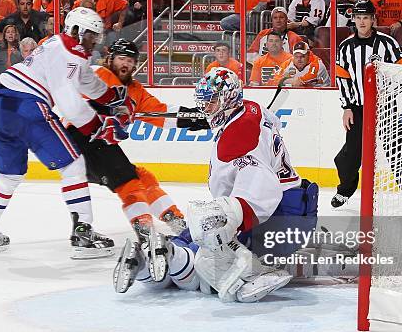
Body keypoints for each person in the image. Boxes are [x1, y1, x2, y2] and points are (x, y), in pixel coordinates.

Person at [114, 67, 317, 303]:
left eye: (210, 102)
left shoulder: (237, 139)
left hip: (278, 220)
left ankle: (167, 260)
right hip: (292, 209)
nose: (205, 108)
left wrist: (225, 229)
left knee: (208, 254)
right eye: (204, 102)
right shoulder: (250, 108)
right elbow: (267, 124)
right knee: (200, 230)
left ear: (228, 100)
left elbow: (263, 191)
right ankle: (163, 254)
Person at [0, 7, 128, 259]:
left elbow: (86, 82)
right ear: (78, 31)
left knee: (9, 175)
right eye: (91, 35)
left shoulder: (59, 46)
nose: (95, 40)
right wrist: (98, 128)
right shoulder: (70, 53)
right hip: (27, 106)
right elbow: (71, 105)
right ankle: (82, 232)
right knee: (73, 165)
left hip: (1, 105)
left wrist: (111, 97)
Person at [68, 39, 194, 244]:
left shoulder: (136, 90)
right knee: (130, 184)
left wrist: (192, 117)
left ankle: (175, 220)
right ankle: (146, 235)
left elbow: (161, 113)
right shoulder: (99, 73)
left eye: (130, 60)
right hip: (81, 138)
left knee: (143, 178)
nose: (125, 64)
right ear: (110, 59)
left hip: (100, 145)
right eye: (120, 59)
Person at [333, 0, 402, 213]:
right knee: (349, 156)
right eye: (358, 17)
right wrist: (346, 107)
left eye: (366, 17)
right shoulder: (345, 47)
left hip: (385, 107)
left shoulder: (388, 43)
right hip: (358, 109)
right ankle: (345, 190)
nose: (362, 21)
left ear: (373, 19)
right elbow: (343, 79)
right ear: (353, 20)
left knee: (397, 152)